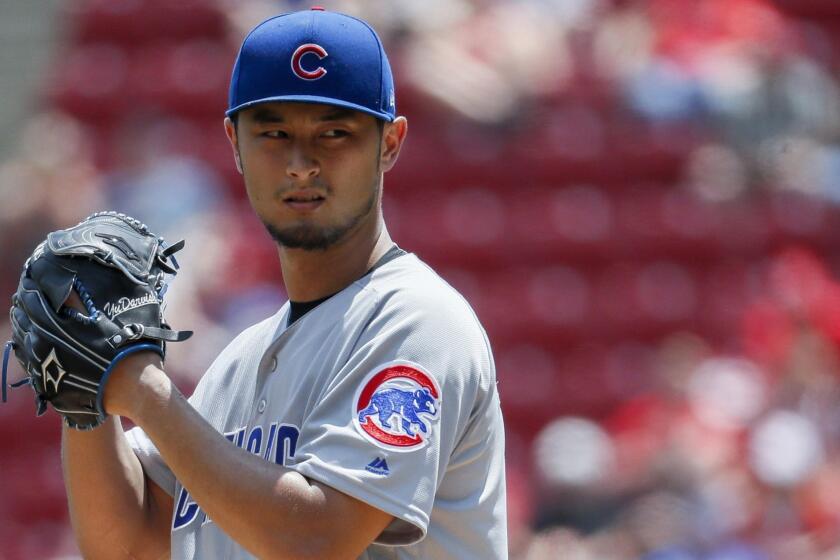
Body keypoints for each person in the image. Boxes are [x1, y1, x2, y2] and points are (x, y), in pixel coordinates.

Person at [62, 7, 507, 559]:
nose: (301, 163)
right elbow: (124, 547)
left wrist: (147, 394)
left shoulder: (416, 320)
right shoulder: (237, 365)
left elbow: (316, 540)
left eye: (334, 133)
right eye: (273, 132)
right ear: (234, 142)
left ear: (389, 143)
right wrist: (82, 389)